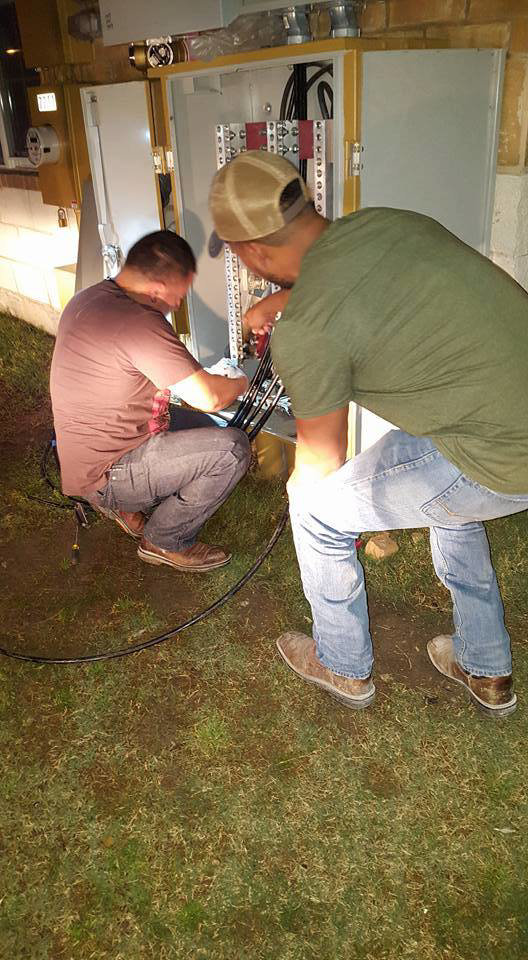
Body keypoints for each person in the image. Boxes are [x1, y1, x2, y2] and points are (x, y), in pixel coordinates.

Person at [208, 150, 528, 716]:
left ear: (252, 252)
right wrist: (282, 301)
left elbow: (321, 460)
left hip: (500, 452)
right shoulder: (385, 223)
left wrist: (299, 487)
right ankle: (486, 666)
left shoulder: (309, 333)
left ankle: (343, 665)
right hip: (494, 411)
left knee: (316, 510)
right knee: (444, 498)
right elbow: (354, 283)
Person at [50, 230, 250, 572]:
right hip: (109, 469)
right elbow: (210, 397)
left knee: (212, 429)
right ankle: (164, 540)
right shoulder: (139, 322)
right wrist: (241, 381)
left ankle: (123, 506)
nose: (177, 305)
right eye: (178, 297)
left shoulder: (88, 299)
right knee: (232, 450)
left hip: (85, 454)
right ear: (157, 288)